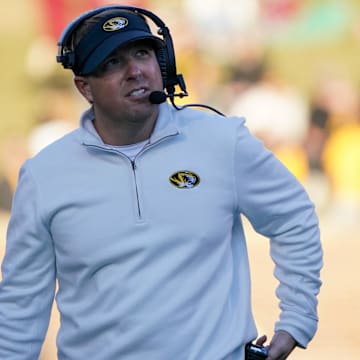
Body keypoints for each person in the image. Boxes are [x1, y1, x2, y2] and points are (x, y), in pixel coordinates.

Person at [0, 5, 323, 360]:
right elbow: (21, 305)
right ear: (84, 87)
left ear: (163, 63)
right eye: (112, 62)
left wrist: (296, 319)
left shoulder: (223, 141)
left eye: (142, 53)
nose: (135, 71)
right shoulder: (44, 175)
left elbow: (294, 219)